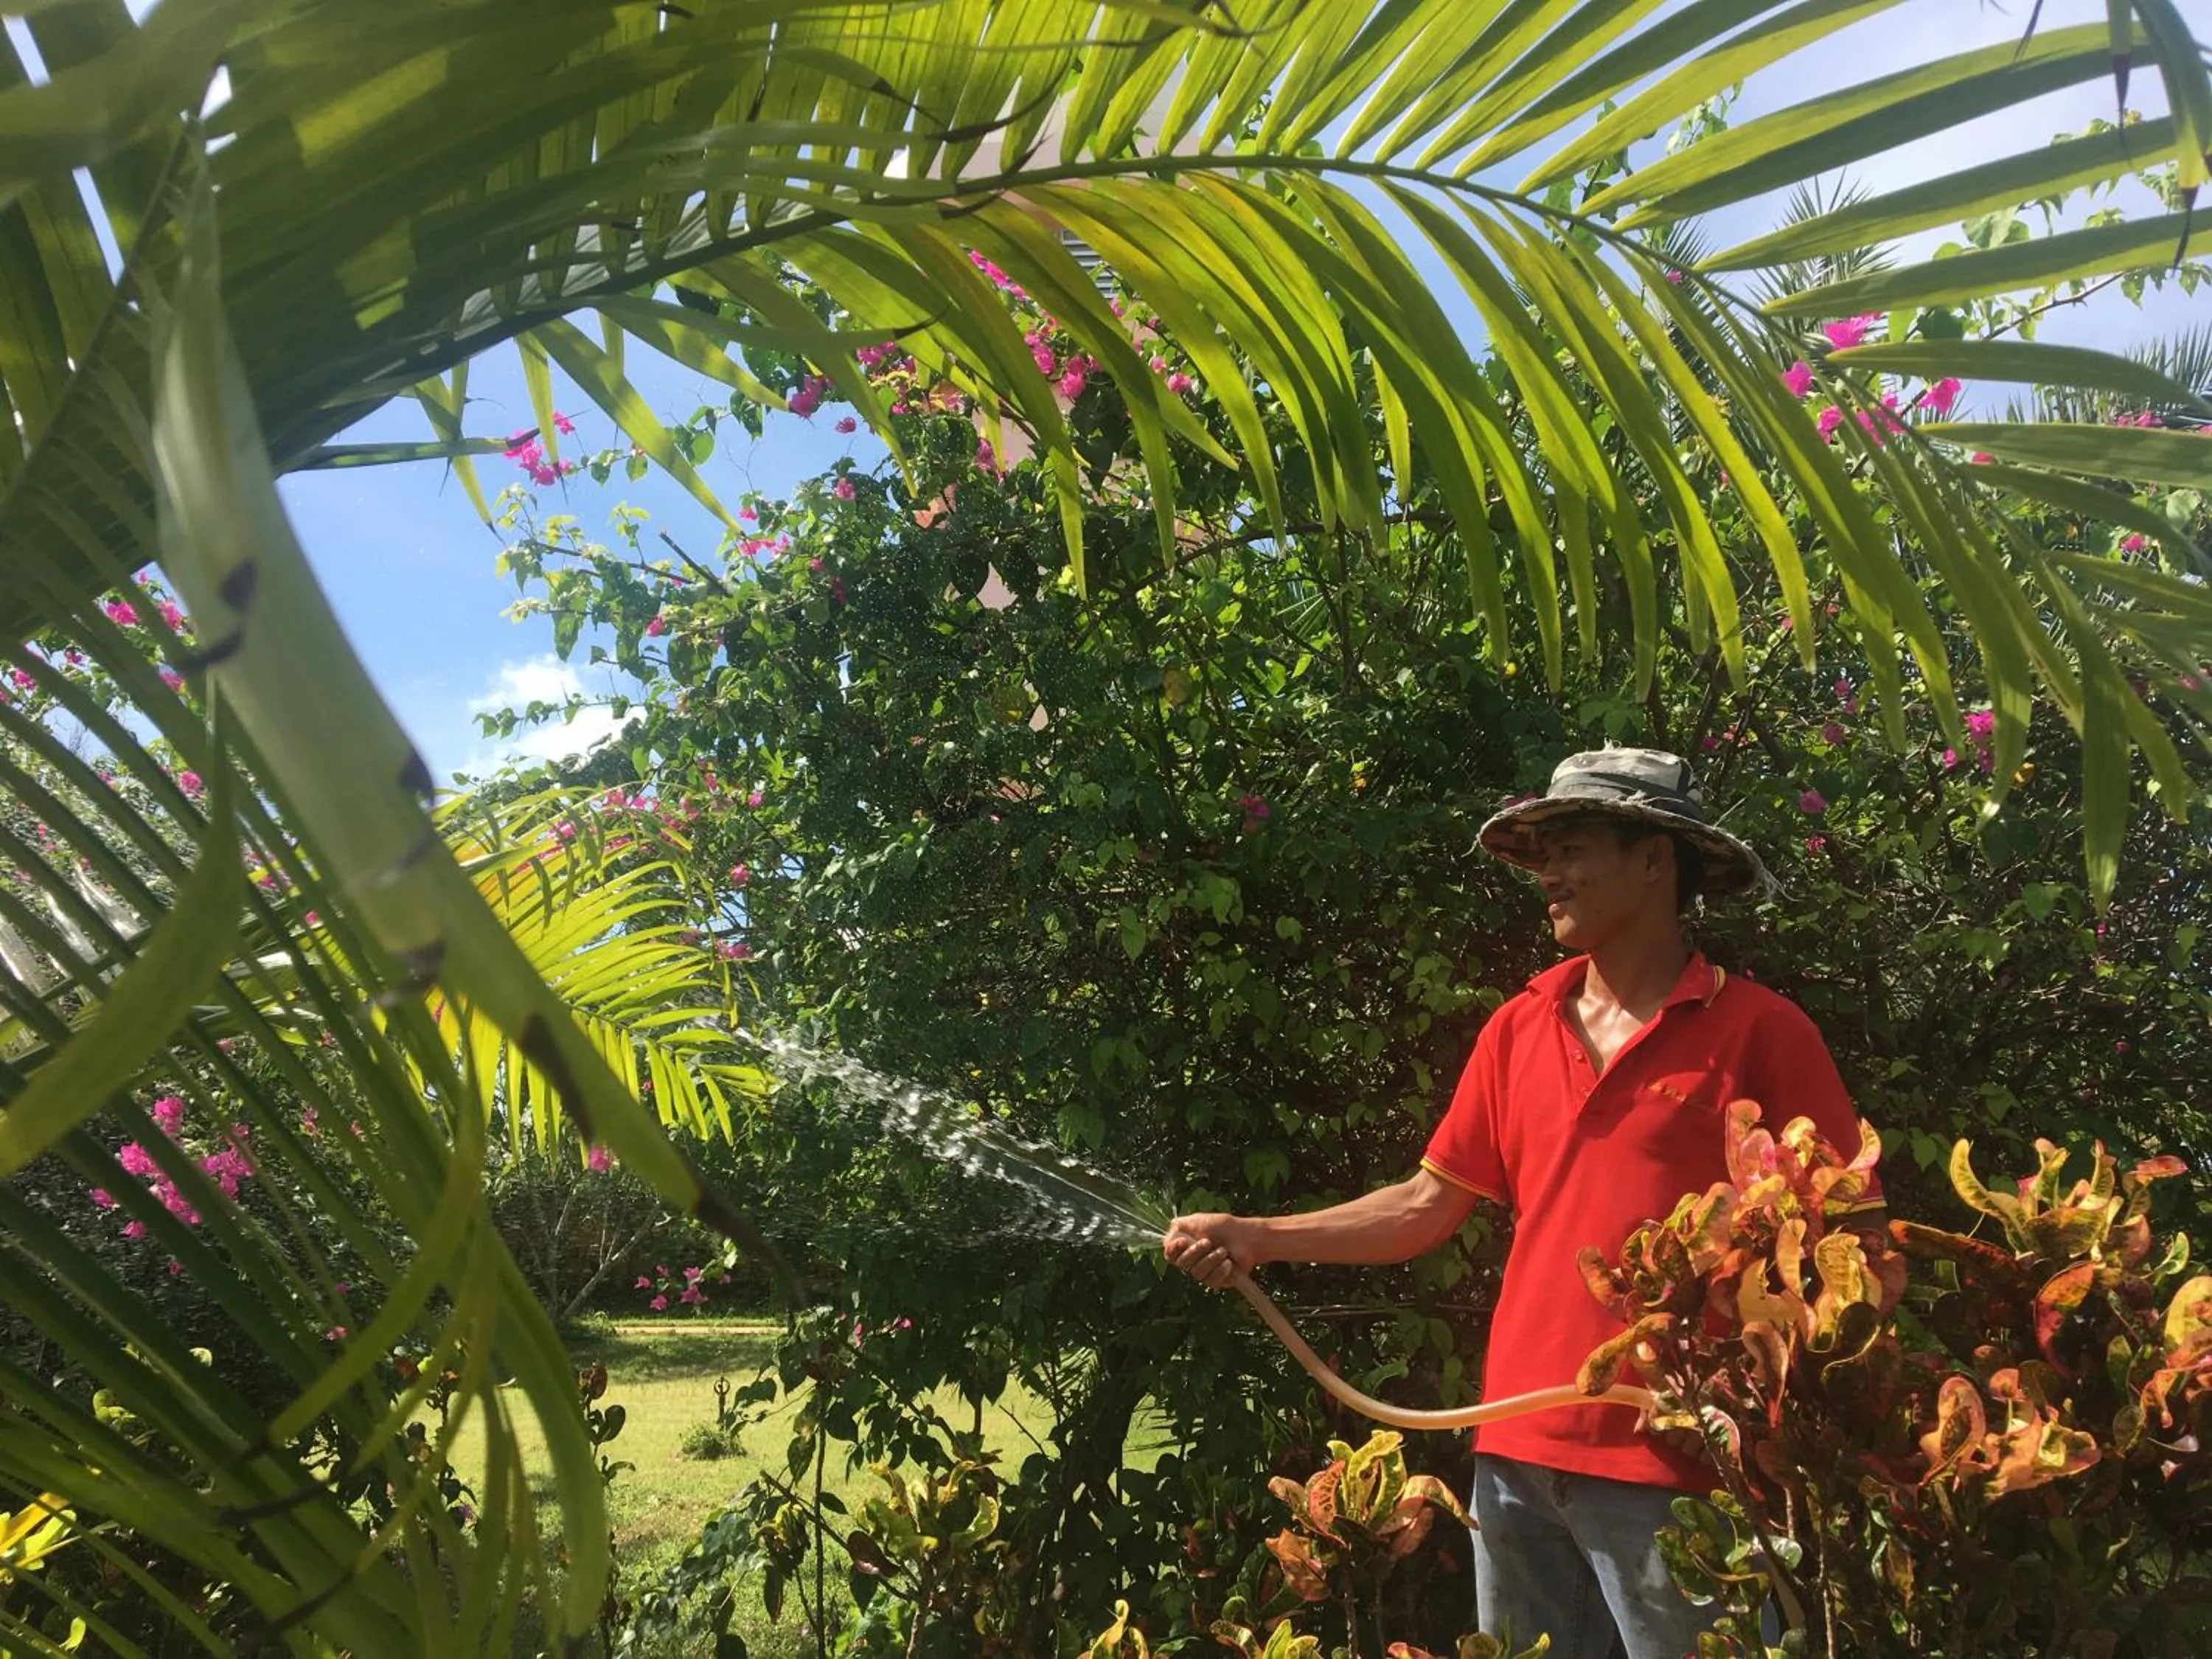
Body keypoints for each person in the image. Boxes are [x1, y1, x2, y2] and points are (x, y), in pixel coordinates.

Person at [1163, 748, 1883, 1659]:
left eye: (1572, 847)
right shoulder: (1519, 1025)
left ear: (1657, 859)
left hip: (1679, 1462)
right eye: (1541, 852)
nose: (1547, 874)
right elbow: (1426, 1205)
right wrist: (1256, 1236)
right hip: (1516, 1457)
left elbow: (1855, 1240)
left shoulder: (1764, 1033)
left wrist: (1786, 1401)